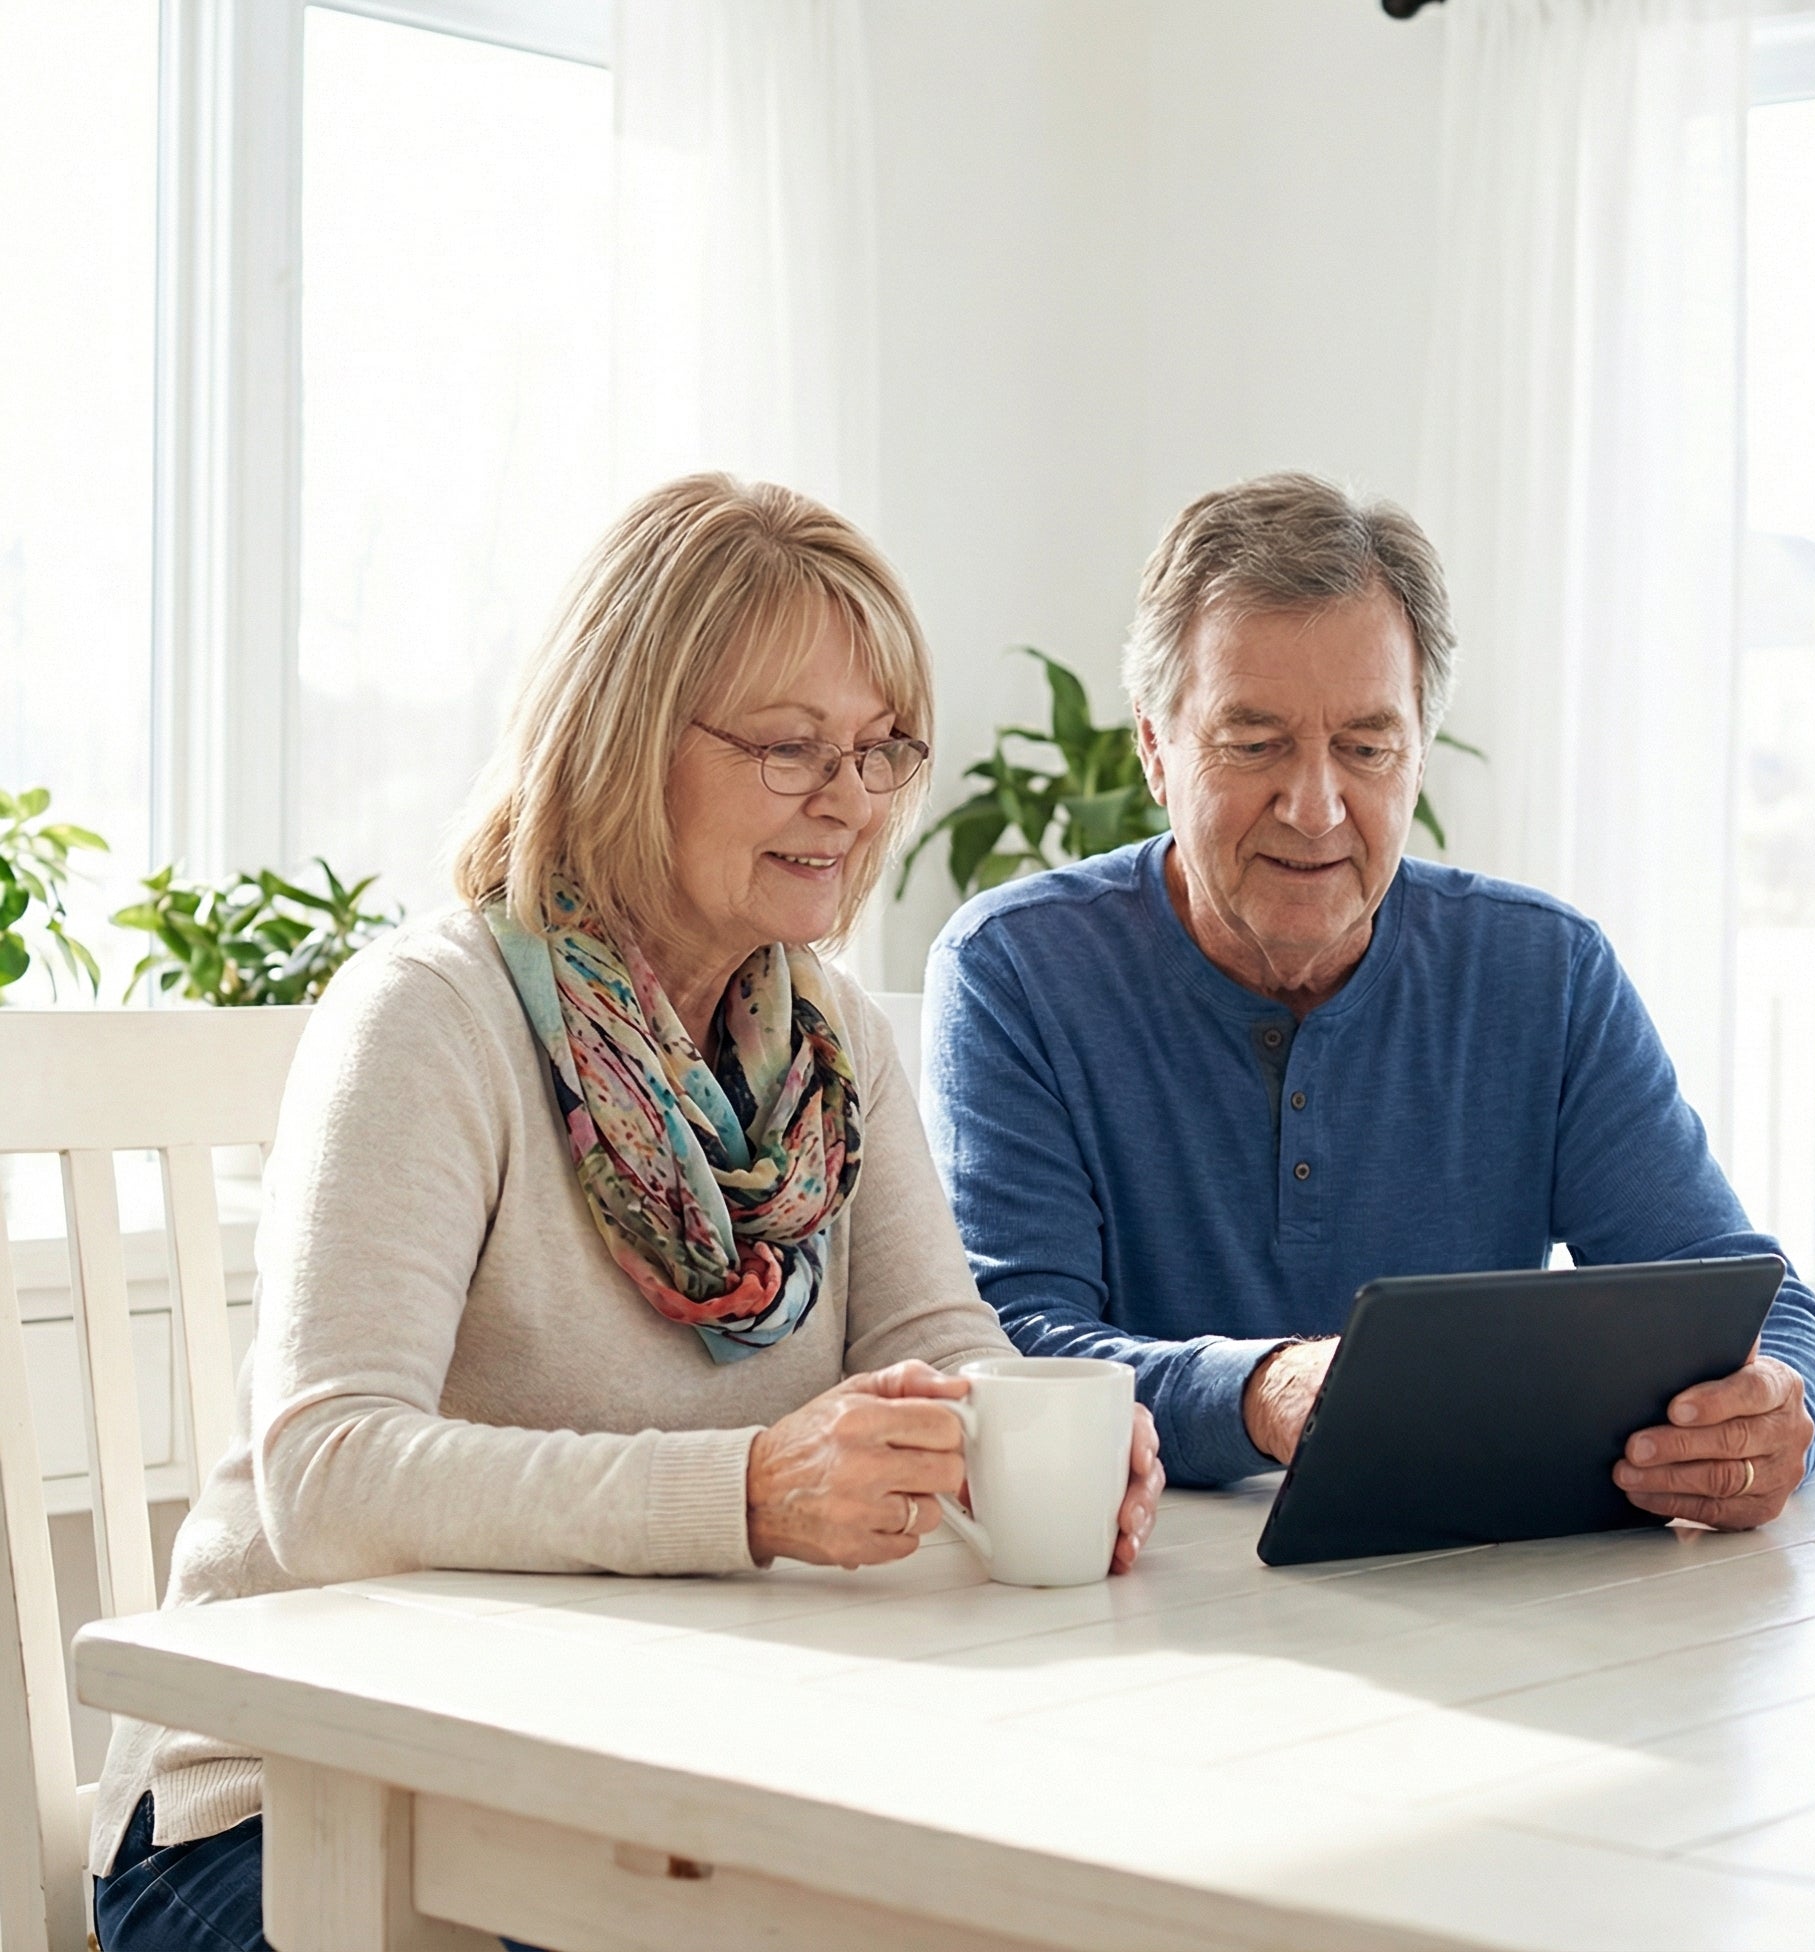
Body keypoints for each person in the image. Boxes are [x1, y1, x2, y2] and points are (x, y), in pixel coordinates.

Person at [89, 473, 1164, 1952]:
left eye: (877, 751)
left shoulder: (828, 1042)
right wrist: (747, 1493)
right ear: (621, 741)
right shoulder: (434, 1015)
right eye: (792, 749)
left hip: (639, 1780)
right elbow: (326, 1477)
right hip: (301, 1803)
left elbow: (939, 1339)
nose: (849, 801)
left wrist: (1024, 1430)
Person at [924, 470, 1815, 1516]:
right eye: (1254, 742)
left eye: (1366, 746)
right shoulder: (1016, 969)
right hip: (1137, 1589)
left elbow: (1752, 1298)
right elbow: (1013, 1348)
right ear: (1153, 745)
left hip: (1476, 1595)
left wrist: (1778, 1410)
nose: (1315, 807)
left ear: (1418, 752)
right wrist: (1262, 1391)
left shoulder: (1545, 973)